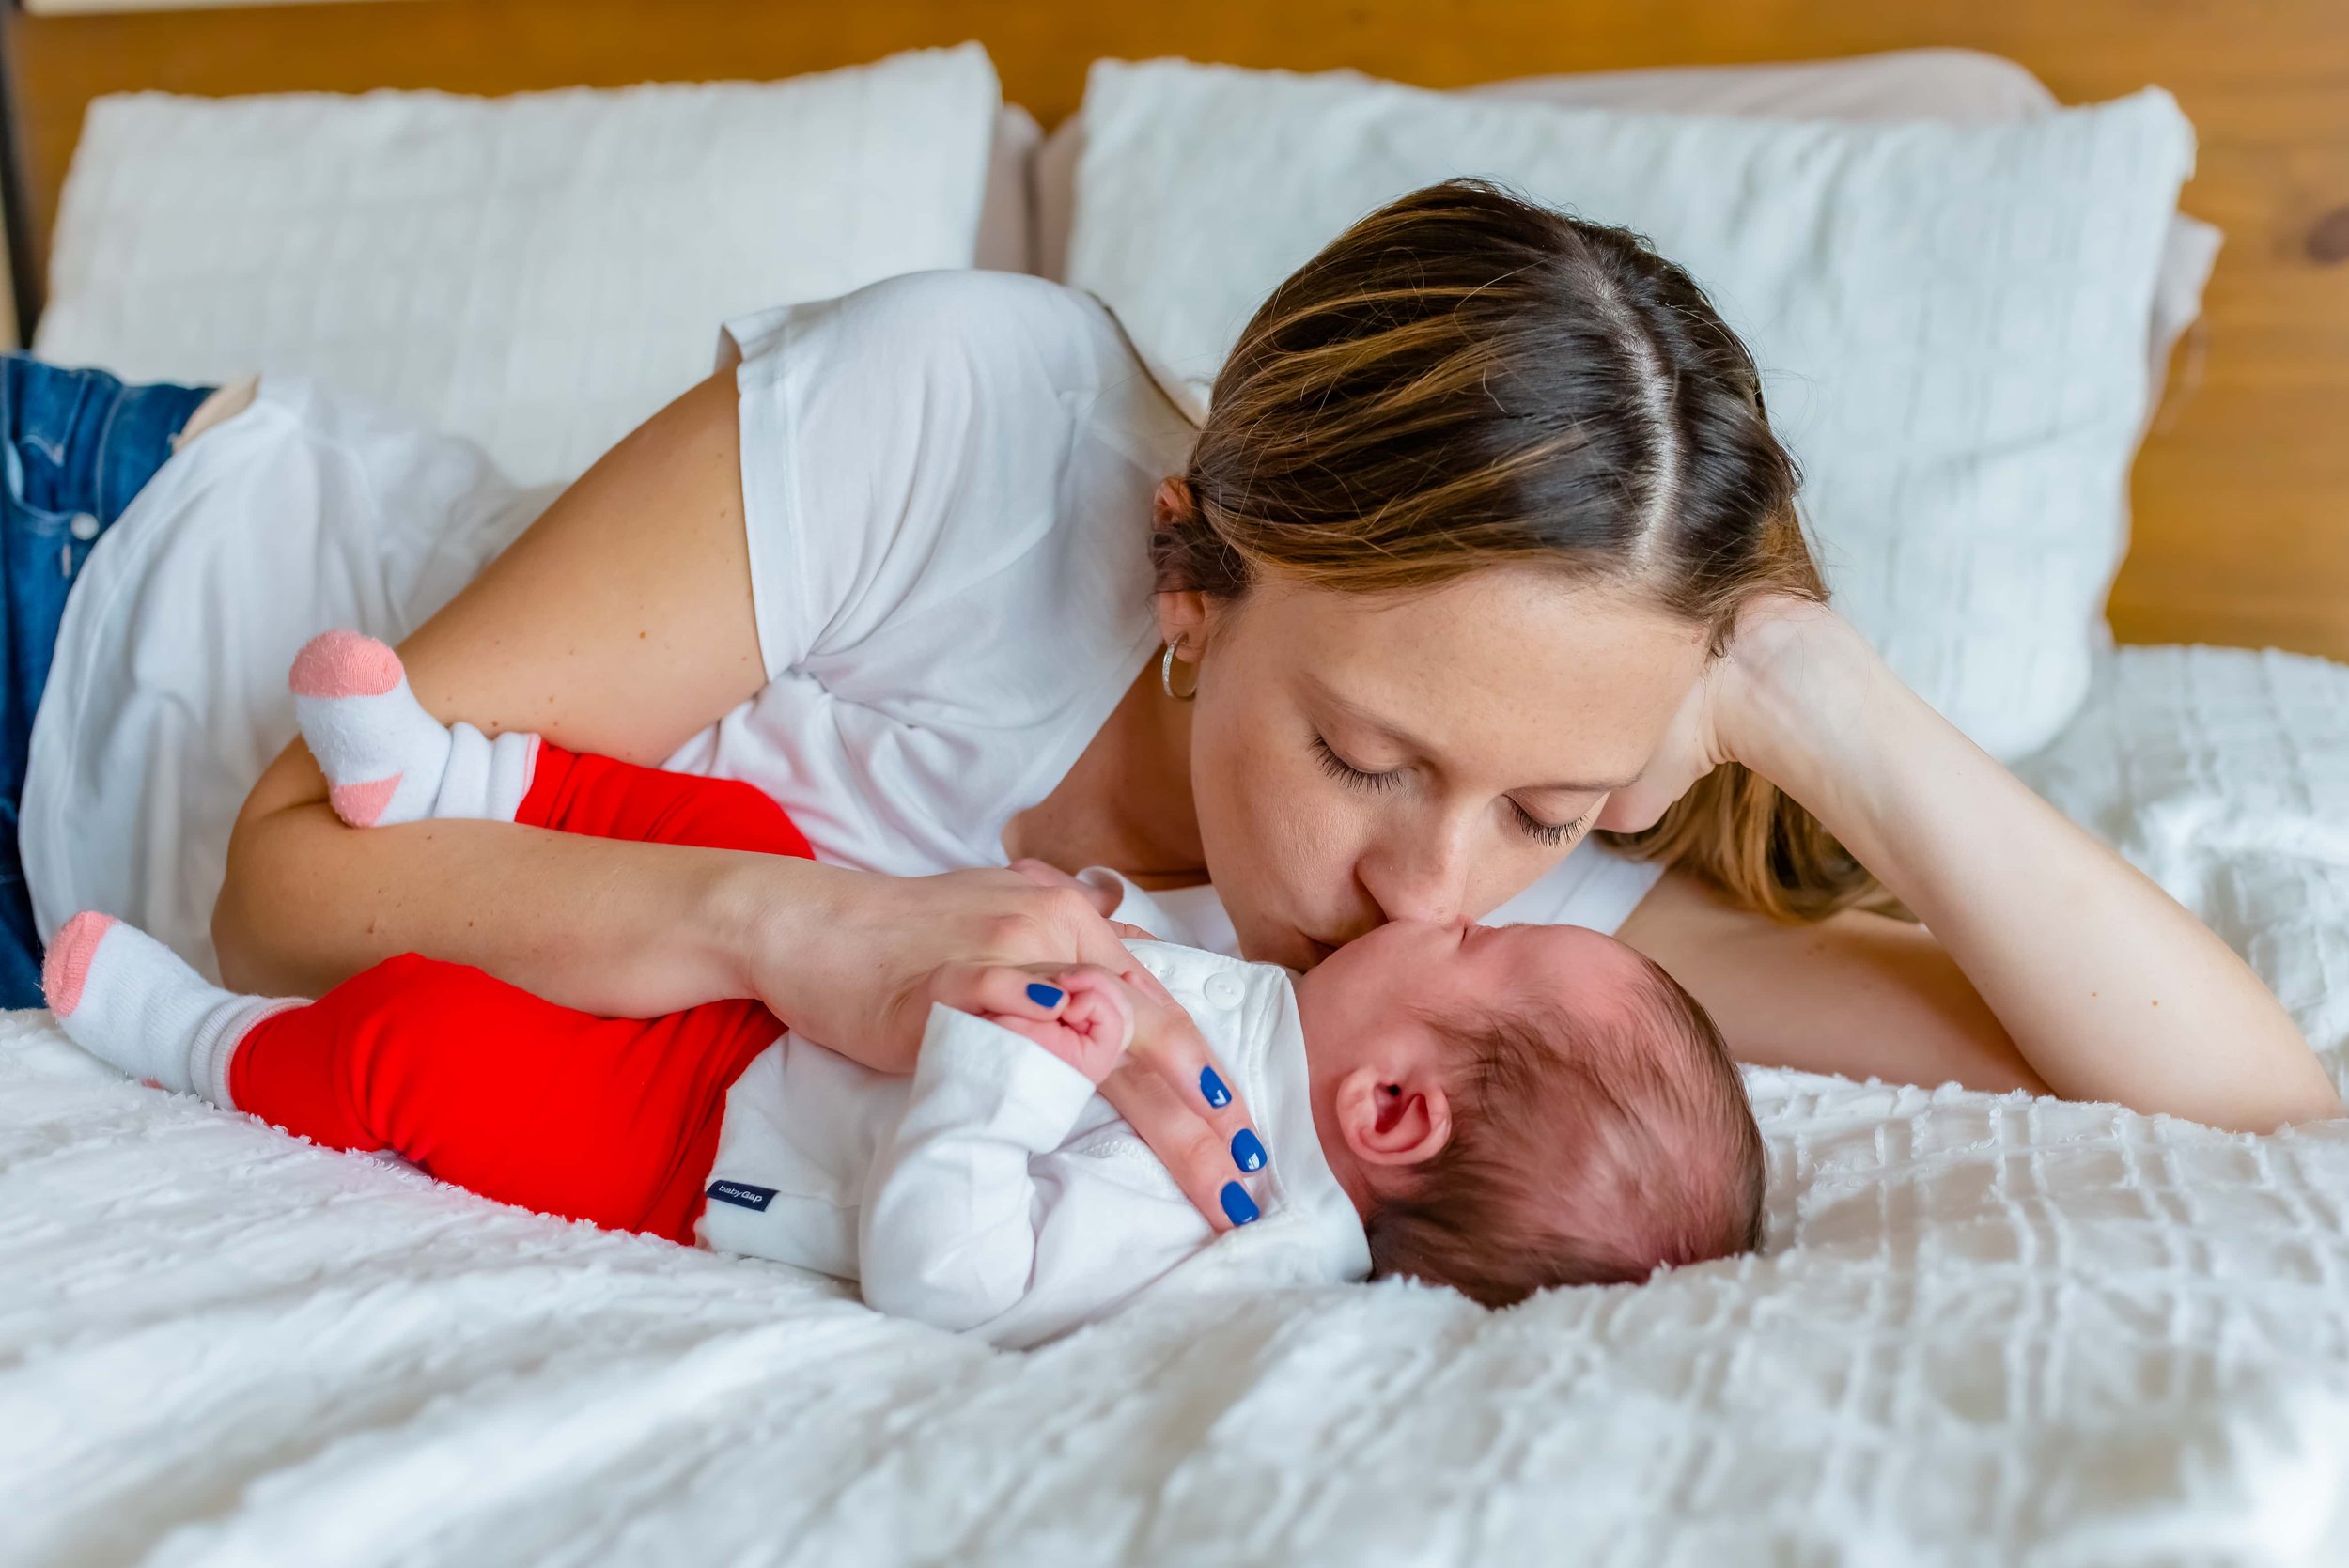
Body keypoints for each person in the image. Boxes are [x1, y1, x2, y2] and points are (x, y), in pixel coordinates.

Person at [15, 181, 2338, 1242]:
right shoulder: (968, 419)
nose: (1423, 883)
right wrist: (808, 931)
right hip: (94, 583)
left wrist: (1808, 685)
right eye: (1362, 756)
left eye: (1541, 797)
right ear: (1188, 574)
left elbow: (2248, 1102)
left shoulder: (1497, 937)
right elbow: (290, 877)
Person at [43, 635, 1764, 1344]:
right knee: (719, 823)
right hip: (829, 965)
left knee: (431, 1049)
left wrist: (1001, 1068)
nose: (1437, 891)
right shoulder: (1293, 1017)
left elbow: (950, 1278)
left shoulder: (1213, 1224)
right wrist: (1058, 915)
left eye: (1474, 935)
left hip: (712, 1143)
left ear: (1393, 1111)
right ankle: (446, 774)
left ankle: (196, 1039)